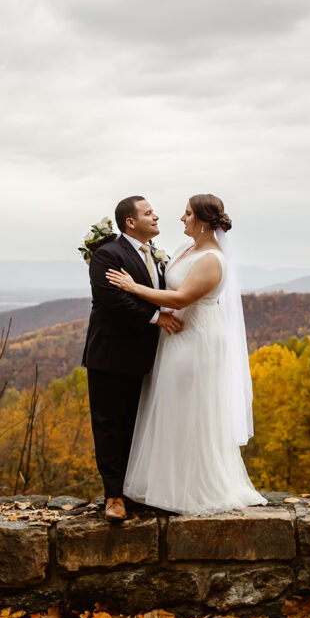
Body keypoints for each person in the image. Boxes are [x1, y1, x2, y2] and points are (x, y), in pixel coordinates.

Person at [106, 193, 266, 515]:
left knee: (191, 410)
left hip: (197, 339)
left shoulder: (211, 259)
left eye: (188, 213)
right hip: (175, 337)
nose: (181, 218)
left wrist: (132, 287)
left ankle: (192, 489)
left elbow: (180, 299)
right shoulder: (185, 250)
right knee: (170, 407)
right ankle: (165, 484)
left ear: (204, 221)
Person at [82, 195, 183, 522]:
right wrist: (157, 318)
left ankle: (136, 490)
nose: (156, 217)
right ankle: (114, 497)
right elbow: (110, 299)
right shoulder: (108, 254)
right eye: (148, 213)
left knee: (138, 428)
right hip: (111, 355)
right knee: (110, 426)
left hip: (148, 358)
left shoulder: (155, 255)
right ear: (130, 222)